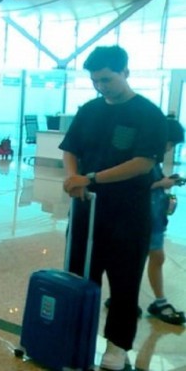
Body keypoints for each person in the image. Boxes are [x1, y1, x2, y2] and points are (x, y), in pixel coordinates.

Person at [60, 45, 167, 371]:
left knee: (123, 283)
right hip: (86, 211)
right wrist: (73, 178)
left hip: (128, 215)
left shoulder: (148, 114)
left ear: (125, 72)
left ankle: (116, 348)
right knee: (78, 277)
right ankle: (75, 339)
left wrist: (90, 178)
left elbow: (142, 163)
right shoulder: (89, 110)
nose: (101, 86)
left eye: (107, 79)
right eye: (95, 80)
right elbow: (70, 149)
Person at [144, 118, 185, 325]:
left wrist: (165, 181)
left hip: (154, 218)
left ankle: (122, 297)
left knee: (153, 258)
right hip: (146, 220)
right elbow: (138, 186)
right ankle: (160, 302)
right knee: (155, 257)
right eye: (171, 143)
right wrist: (163, 183)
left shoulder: (153, 159)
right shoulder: (144, 158)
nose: (170, 148)